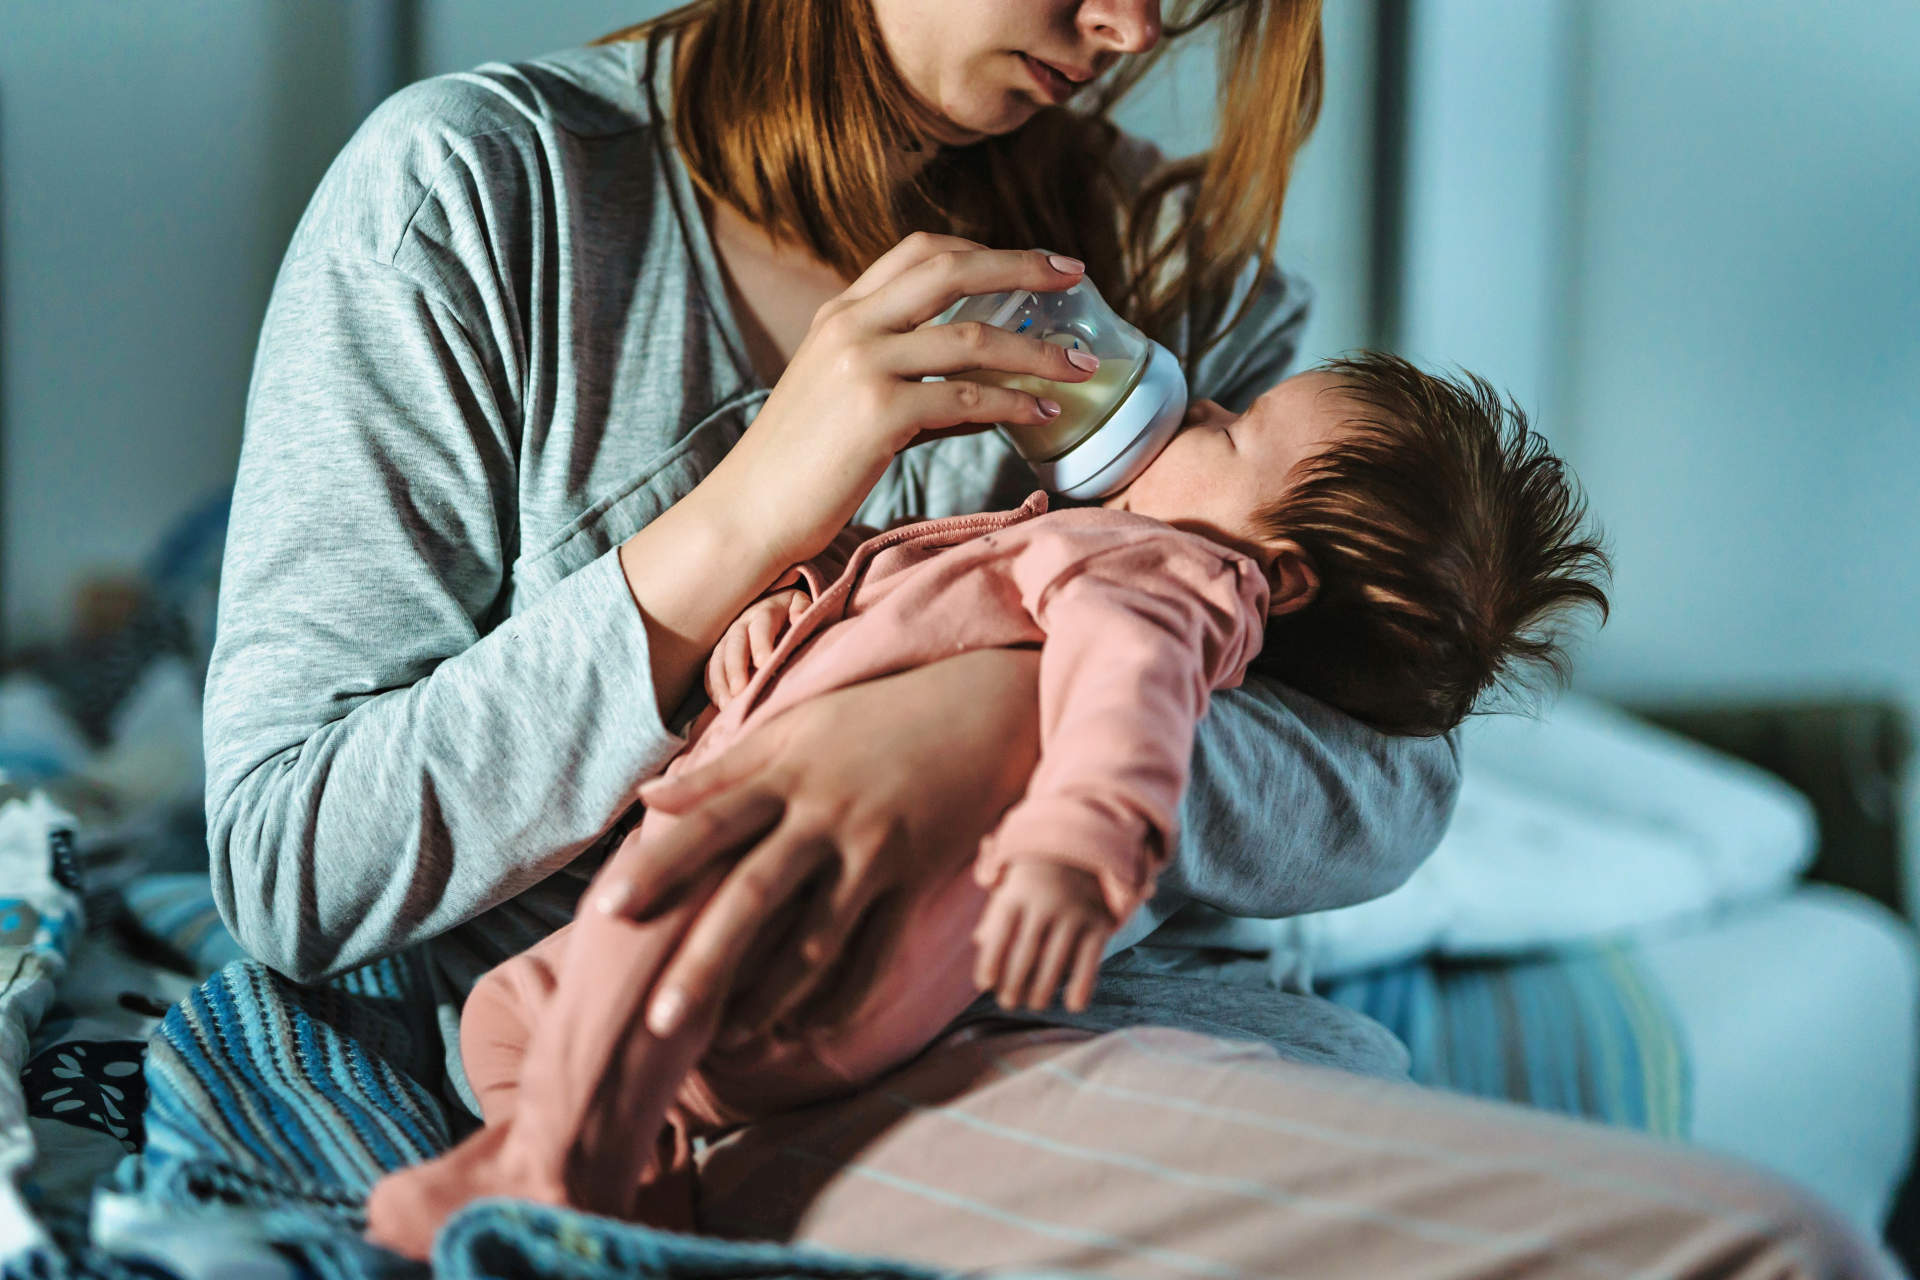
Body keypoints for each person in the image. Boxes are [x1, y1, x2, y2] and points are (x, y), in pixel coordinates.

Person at [203, 1, 1890, 1273]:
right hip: (765, 1073)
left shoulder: (1172, 274)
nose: (1136, 31)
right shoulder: (483, 201)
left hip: (1145, 1015)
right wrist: (735, 528)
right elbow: (290, 857)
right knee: (1765, 1250)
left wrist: (991, 718)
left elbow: (1395, 779)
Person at [361, 352, 1614, 1259]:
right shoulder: (1112, 544)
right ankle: (634, 1185)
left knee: (640, 943)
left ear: (1276, 577)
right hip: (785, 900)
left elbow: (1129, 694)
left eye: (1233, 426)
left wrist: (1083, 834)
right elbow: (894, 620)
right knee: (507, 1020)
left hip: (834, 912)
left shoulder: (1177, 574)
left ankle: (554, 1179)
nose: (1201, 401)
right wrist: (777, 632)